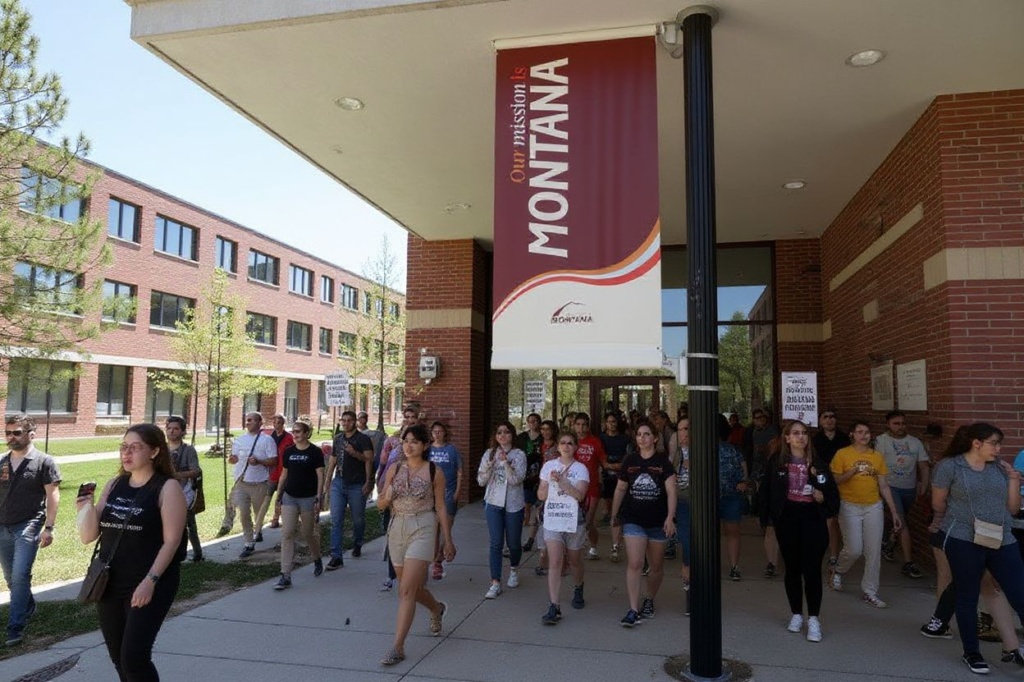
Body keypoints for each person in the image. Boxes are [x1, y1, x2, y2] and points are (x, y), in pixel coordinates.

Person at [76, 424, 187, 682]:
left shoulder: (167, 487)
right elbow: (88, 536)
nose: (127, 453)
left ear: (154, 451)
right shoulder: (115, 484)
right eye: (123, 447)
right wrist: (84, 509)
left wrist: (150, 581)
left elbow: (171, 542)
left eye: (135, 447)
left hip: (150, 582)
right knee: (119, 658)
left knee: (134, 658)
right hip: (110, 582)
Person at [932, 423, 1024, 674]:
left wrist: (1014, 479)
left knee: (1019, 593)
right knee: (968, 595)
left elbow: (1013, 508)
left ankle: (1014, 648)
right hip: (963, 537)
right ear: (976, 443)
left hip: (1002, 538)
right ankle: (972, 652)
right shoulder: (949, 467)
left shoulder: (1001, 469)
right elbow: (938, 504)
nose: (999, 448)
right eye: (995, 443)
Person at [376, 424, 456, 666]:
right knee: (408, 587)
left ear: (424, 445)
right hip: (397, 527)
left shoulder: (435, 471)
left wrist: (448, 539)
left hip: (423, 527)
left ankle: (398, 646)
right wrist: (387, 496)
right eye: (405, 440)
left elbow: (441, 506)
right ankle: (436, 608)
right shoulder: (394, 469)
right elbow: (380, 504)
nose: (408, 445)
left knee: (407, 591)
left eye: (414, 442)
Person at [758, 420, 839, 643]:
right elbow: (766, 492)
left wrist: (821, 497)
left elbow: (832, 497)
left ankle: (814, 618)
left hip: (812, 519)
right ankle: (796, 613)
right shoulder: (777, 463)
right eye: (795, 433)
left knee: (812, 570)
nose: (800, 437)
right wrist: (766, 519)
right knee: (792, 568)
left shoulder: (818, 464)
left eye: (804, 433)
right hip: (788, 520)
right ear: (786, 438)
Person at [829, 420, 902, 608]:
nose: (864, 435)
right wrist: (851, 473)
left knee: (873, 550)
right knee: (854, 549)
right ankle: (838, 571)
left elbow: (884, 485)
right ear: (852, 434)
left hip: (873, 506)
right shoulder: (842, 454)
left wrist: (893, 511)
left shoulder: (877, 456)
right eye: (859, 431)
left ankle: (870, 591)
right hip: (849, 506)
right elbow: (836, 480)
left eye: (867, 432)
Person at [0, 414, 60, 647]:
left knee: (20, 574)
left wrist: (49, 527)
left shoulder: (44, 461)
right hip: (2, 525)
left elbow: (52, 495)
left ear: (31, 435)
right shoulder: (2, 462)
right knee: (10, 577)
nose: (11, 437)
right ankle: (28, 605)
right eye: (8, 432)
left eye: (17, 432)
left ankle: (15, 626)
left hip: (29, 524)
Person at [611, 422, 677, 627]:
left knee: (656, 566)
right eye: (639, 434)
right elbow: (621, 489)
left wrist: (670, 517)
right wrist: (614, 515)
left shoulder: (663, 462)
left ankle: (649, 598)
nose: (642, 438)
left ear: (655, 438)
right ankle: (633, 608)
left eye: (647, 434)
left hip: (658, 521)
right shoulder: (630, 460)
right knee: (636, 563)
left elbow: (672, 491)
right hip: (633, 519)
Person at [537, 430, 590, 623]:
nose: (566, 446)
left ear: (576, 447)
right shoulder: (549, 466)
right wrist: (546, 485)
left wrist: (563, 482)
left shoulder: (581, 469)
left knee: (574, 559)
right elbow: (541, 495)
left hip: (574, 519)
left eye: (570, 443)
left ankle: (578, 586)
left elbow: (580, 495)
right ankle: (554, 605)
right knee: (556, 561)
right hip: (553, 518)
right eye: (563, 443)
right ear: (557, 446)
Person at [875, 410, 929, 578]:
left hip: (909, 488)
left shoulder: (915, 443)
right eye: (896, 423)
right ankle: (908, 563)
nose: (900, 427)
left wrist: (924, 486)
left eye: (903, 423)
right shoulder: (881, 441)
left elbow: (923, 466)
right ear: (888, 424)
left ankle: (890, 542)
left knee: (900, 519)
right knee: (902, 521)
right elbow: (876, 466)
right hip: (890, 487)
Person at [477, 421, 527, 598]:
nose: (503, 435)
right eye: (499, 432)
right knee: (496, 543)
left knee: (513, 543)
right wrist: (489, 466)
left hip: (513, 504)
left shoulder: (519, 455)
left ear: (512, 435)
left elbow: (516, 480)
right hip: (493, 503)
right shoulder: (489, 453)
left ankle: (514, 569)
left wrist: (506, 463)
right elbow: (481, 481)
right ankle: (495, 582)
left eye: (506, 432)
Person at [274, 416, 325, 589]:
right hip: (290, 497)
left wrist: (319, 496)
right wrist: (279, 495)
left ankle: (317, 558)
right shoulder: (288, 451)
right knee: (287, 533)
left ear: (306, 433)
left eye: (298, 431)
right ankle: (285, 574)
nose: (294, 434)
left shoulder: (315, 452)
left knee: (307, 533)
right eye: (293, 431)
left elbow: (320, 475)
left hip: (308, 498)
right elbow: (284, 475)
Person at [324, 410, 374, 568]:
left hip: (357, 484)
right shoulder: (338, 439)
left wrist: (368, 482)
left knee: (358, 519)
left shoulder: (363, 439)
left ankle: (358, 542)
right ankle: (336, 556)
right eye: (343, 420)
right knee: (336, 520)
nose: (345, 423)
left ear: (355, 422)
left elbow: (369, 460)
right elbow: (332, 460)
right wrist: (327, 481)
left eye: (349, 420)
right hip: (339, 482)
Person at [375, 408, 418, 590]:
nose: (409, 420)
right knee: (391, 532)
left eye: (412, 417)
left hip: (412, 493)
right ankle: (392, 574)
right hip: (391, 490)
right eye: (406, 417)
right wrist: (379, 482)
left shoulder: (424, 442)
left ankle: (411, 571)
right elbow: (383, 463)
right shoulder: (392, 440)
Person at [228, 412, 278, 558]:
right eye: (247, 420)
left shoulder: (267, 440)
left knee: (258, 514)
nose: (248, 422)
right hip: (241, 482)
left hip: (259, 483)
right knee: (244, 513)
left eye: (251, 420)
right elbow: (234, 459)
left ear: (259, 423)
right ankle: (248, 542)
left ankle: (258, 530)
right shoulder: (239, 440)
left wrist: (259, 461)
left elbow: (274, 461)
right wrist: (231, 459)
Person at [811, 408, 850, 567]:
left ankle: (834, 554)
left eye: (832, 417)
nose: (829, 420)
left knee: (834, 519)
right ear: (820, 421)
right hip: (821, 482)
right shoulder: (815, 440)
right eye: (825, 417)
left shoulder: (844, 439)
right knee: (821, 518)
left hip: (841, 481)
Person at [164, 416, 203, 562]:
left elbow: (196, 470)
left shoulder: (188, 450)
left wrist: (177, 475)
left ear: (183, 432)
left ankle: (196, 552)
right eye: (169, 428)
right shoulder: (161, 450)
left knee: (187, 523)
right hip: (165, 492)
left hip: (184, 491)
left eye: (176, 429)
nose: (172, 431)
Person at [717, 414, 750, 581]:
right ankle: (734, 566)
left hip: (720, 496)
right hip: (731, 495)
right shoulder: (734, 450)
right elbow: (744, 471)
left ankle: (727, 565)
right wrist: (743, 482)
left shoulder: (700, 450)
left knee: (712, 534)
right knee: (733, 533)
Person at [428, 421, 462, 580]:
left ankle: (440, 555)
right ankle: (436, 561)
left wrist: (457, 491)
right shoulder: (428, 450)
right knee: (434, 529)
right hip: (432, 493)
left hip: (449, 492)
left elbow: (460, 472)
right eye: (434, 431)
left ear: (444, 433)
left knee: (446, 527)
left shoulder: (452, 450)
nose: (437, 434)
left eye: (440, 431)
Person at [572, 412, 608, 560]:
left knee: (587, 521)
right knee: (575, 519)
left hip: (592, 486)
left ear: (588, 425)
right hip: (573, 486)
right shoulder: (570, 442)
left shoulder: (595, 442)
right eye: (578, 424)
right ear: (574, 426)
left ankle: (592, 546)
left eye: (584, 424)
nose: (581, 428)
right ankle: (579, 548)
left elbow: (604, 462)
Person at [256, 414, 294, 535]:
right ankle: (258, 523)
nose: (276, 425)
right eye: (274, 423)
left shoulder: (289, 438)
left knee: (280, 497)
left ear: (283, 424)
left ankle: (276, 518)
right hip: (271, 473)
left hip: (284, 472)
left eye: (278, 423)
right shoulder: (269, 438)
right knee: (266, 497)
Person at [599, 412, 629, 561]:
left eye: (614, 421)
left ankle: (616, 544)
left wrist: (618, 465)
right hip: (606, 477)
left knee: (618, 511)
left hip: (621, 478)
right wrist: (607, 465)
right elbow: (600, 458)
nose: (612, 424)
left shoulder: (625, 439)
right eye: (609, 421)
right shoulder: (601, 438)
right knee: (611, 509)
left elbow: (628, 457)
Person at [671, 418, 692, 615]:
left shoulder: (705, 450)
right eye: (680, 430)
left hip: (700, 502)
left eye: (687, 429)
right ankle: (689, 592)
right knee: (687, 546)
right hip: (682, 502)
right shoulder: (677, 452)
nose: (684, 433)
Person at [534, 419, 560, 576]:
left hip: (556, 488)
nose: (545, 432)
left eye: (548, 429)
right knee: (541, 520)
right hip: (541, 486)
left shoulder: (557, 448)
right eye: (542, 429)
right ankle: (542, 557)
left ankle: (553, 559)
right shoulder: (537, 446)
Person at [517, 413, 543, 553]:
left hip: (539, 475)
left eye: (535, 421)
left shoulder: (543, 438)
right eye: (530, 421)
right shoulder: (522, 437)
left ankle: (532, 537)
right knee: (527, 502)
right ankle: (526, 519)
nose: (533, 423)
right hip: (526, 475)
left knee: (538, 507)